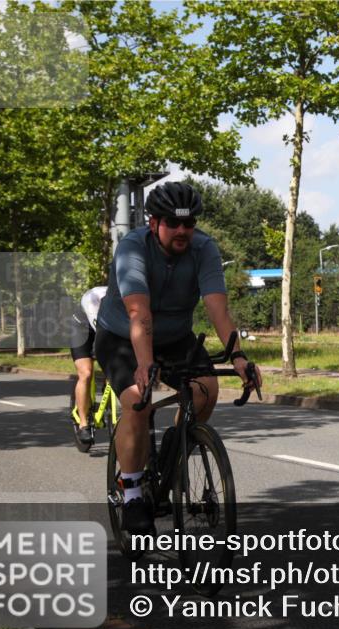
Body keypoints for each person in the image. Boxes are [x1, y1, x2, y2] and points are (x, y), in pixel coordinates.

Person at [94, 181, 261, 534]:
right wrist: (144, 365)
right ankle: (134, 493)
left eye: (190, 223)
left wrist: (239, 358)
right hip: (124, 336)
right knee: (139, 401)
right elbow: (139, 313)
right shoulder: (132, 248)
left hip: (175, 336)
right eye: (174, 222)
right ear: (154, 223)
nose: (184, 230)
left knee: (207, 390)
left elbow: (217, 308)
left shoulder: (204, 248)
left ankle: (176, 441)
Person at [70, 285, 108, 447]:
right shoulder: (94, 298)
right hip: (82, 329)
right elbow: (102, 336)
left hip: (105, 328)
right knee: (86, 373)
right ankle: (83, 424)